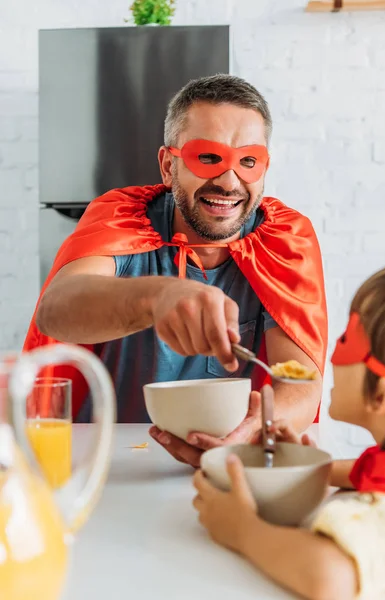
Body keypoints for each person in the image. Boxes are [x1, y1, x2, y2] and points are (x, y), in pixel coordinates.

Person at [24, 74, 327, 467]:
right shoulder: (122, 218)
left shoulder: (285, 239)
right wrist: (158, 297)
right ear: (168, 166)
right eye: (207, 158)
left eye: (248, 162)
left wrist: (253, 432)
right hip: (110, 464)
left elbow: (299, 381)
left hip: (232, 463)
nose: (229, 181)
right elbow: (57, 310)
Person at [193, 261, 385, 600]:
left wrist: (241, 528)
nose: (331, 352)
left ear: (380, 395)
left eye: (347, 339)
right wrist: (300, 464)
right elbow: (361, 472)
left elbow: (329, 578)